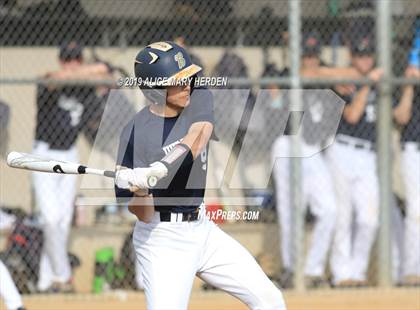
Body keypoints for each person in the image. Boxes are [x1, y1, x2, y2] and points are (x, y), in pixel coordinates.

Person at [114, 41, 286, 309]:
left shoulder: (198, 97)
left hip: (203, 229)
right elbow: (143, 213)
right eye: (178, 80)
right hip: (162, 239)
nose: (187, 85)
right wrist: (141, 189)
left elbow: (199, 136)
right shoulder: (135, 133)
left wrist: (162, 166)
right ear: (155, 90)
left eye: (188, 77)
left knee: (270, 299)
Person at [32, 41, 111, 292]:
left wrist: (99, 78)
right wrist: (91, 70)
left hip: (70, 155)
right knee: (50, 218)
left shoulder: (85, 91)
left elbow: (107, 77)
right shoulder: (50, 83)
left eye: (77, 59)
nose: (72, 64)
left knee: (62, 222)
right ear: (61, 61)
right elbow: (52, 79)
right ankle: (64, 274)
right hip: (44, 154)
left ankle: (47, 281)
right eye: (68, 59)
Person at [271, 32, 338, 288]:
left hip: (312, 148)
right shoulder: (289, 74)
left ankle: (312, 270)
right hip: (288, 144)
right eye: (305, 56)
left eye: (313, 56)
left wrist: (331, 76)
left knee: (329, 209)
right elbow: (306, 74)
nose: (309, 61)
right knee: (291, 211)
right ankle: (291, 269)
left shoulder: (326, 79)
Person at [326, 34, 383, 287]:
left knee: (369, 219)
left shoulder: (379, 81)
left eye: (368, 56)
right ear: (353, 58)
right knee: (342, 214)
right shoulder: (345, 82)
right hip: (342, 150)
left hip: (368, 155)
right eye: (360, 56)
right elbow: (352, 115)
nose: (365, 61)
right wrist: (366, 85)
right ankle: (342, 274)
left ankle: (358, 273)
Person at [393, 65, 420, 286]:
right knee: (416, 211)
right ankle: (412, 271)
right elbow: (401, 117)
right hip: (414, 150)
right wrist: (409, 88)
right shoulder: (407, 76)